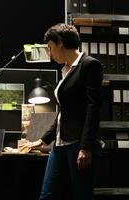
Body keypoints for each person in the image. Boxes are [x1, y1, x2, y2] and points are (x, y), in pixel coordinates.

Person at [21, 24, 103, 199]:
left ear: (60, 43)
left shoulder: (89, 65)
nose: (49, 54)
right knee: (47, 195)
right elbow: (63, 113)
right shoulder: (65, 70)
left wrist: (85, 147)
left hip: (78, 144)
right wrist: (42, 140)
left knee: (81, 195)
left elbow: (93, 108)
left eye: (50, 48)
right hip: (59, 144)